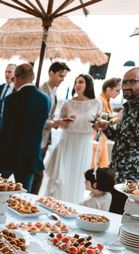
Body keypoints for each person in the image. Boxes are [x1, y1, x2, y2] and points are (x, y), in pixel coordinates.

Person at [95, 67, 139, 214]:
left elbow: (138, 141)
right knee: (110, 211)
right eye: (124, 82)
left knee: (118, 214)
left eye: (131, 82)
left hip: (131, 175)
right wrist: (105, 127)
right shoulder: (129, 106)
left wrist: (117, 122)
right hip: (116, 169)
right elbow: (119, 138)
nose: (125, 86)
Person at [0, 64, 50, 193]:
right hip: (29, 157)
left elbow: (5, 133)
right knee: (22, 197)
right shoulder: (45, 100)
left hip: (8, 157)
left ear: (17, 78)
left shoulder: (11, 99)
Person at [43, 74, 101, 204]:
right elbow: (59, 124)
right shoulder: (68, 103)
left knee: (77, 177)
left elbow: (98, 126)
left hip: (83, 144)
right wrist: (65, 121)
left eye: (81, 82)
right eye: (76, 82)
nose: (77, 85)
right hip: (67, 141)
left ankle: (72, 205)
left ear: (88, 85)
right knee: (61, 177)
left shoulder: (97, 103)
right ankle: (54, 204)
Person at [32, 61, 71, 194]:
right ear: (51, 73)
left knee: (36, 174)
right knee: (38, 174)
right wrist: (55, 123)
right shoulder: (41, 91)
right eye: (60, 76)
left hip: (45, 138)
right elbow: (37, 119)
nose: (62, 79)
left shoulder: (53, 90)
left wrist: (58, 121)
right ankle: (30, 199)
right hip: (36, 138)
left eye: (64, 77)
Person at [90, 77, 121, 168]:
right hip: (95, 137)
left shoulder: (108, 102)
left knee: (101, 166)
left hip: (102, 139)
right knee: (92, 166)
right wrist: (116, 117)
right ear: (108, 89)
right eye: (117, 90)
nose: (119, 93)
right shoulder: (99, 101)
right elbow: (96, 119)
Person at [0, 64, 16, 145]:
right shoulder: (0, 88)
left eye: (9, 72)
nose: (7, 74)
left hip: (9, 126)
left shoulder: (17, 90)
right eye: (6, 72)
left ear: (15, 74)